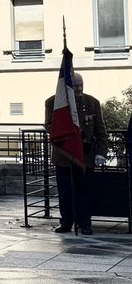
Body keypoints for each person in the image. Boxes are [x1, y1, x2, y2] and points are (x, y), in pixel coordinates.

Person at [44, 72, 108, 235]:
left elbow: (101, 131)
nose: (79, 88)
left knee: (85, 192)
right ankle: (66, 222)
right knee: (65, 192)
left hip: (85, 156)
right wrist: (68, 136)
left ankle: (84, 223)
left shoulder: (92, 102)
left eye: (81, 85)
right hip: (64, 155)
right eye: (76, 85)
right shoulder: (53, 102)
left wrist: (101, 153)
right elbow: (50, 126)